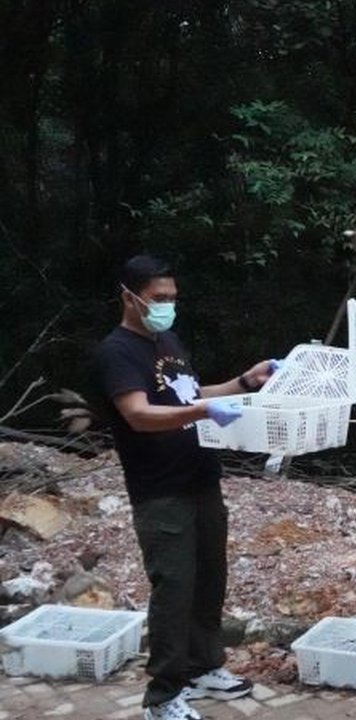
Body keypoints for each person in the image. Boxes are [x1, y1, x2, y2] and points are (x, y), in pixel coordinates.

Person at [94, 255, 274, 720]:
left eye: (172, 298)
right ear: (129, 297)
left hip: (201, 481)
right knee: (173, 590)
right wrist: (200, 413)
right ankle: (163, 695)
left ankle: (203, 667)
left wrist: (241, 382)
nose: (167, 307)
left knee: (209, 581)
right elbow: (138, 413)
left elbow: (189, 394)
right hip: (160, 491)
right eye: (158, 299)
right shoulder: (118, 351)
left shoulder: (167, 340)